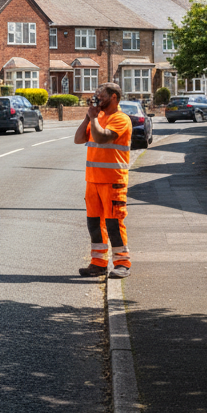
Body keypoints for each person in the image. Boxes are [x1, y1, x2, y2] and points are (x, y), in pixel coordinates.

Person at [74, 82, 133, 279]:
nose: (98, 98)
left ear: (114, 97)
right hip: (93, 180)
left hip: (113, 180)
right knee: (94, 223)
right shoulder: (97, 118)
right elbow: (78, 139)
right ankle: (98, 263)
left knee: (114, 222)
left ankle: (122, 263)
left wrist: (93, 118)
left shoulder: (121, 119)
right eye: (97, 95)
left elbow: (102, 138)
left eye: (102, 95)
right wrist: (88, 117)